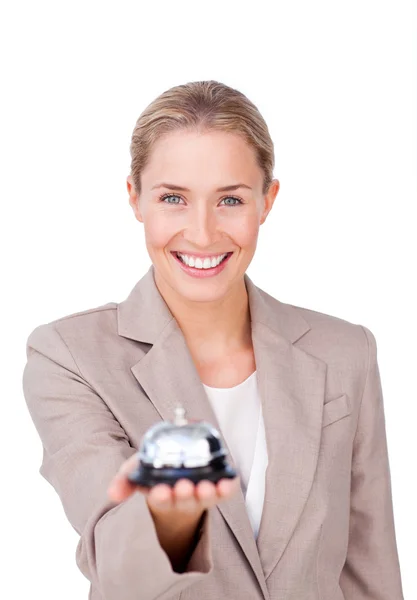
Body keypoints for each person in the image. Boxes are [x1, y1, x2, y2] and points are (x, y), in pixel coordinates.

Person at [22, 80, 404, 600]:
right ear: (135, 198)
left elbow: (370, 569)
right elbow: (117, 568)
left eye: (230, 199)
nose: (202, 234)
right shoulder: (69, 357)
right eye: (173, 198)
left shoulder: (346, 353)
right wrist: (166, 511)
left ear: (267, 200)